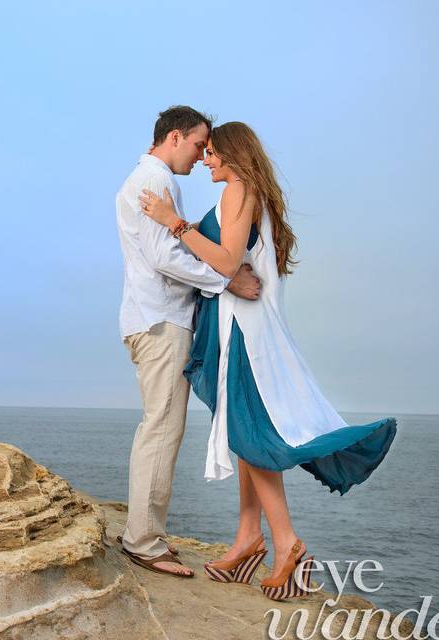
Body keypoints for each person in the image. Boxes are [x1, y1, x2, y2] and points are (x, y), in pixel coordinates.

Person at [139, 121, 397, 600]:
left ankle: (287, 544)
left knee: (252, 433)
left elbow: (225, 260)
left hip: (244, 332)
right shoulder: (243, 193)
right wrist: (193, 228)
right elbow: (228, 255)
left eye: (213, 152)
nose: (207, 161)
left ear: (234, 155)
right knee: (246, 432)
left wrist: (171, 220)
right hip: (240, 326)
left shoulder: (240, 189)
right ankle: (247, 539)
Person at [115, 106, 262, 578]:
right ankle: (144, 542)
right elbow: (164, 257)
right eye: (199, 145)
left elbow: (169, 248)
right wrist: (226, 282)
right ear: (174, 137)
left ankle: (145, 533)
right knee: (162, 430)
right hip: (161, 321)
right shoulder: (156, 181)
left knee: (159, 427)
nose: (202, 156)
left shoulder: (149, 179)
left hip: (152, 318)